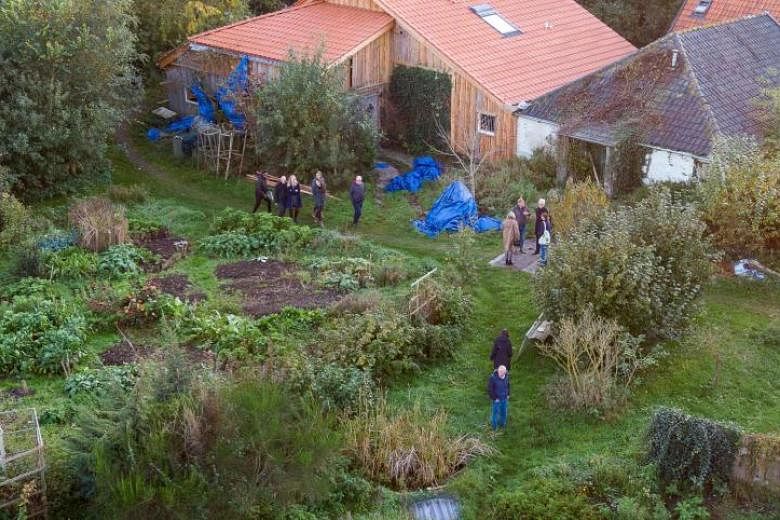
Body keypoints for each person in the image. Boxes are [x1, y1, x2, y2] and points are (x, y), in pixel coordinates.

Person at [487, 365, 510, 431]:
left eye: (503, 373)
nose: (501, 374)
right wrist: (494, 398)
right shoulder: (493, 378)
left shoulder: (506, 376)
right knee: (495, 413)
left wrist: (508, 394)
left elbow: (508, 385)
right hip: (497, 399)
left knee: (504, 412)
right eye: (500, 372)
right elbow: (490, 389)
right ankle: (494, 427)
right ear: (498, 371)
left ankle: (502, 424)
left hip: (504, 398)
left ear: (505, 372)